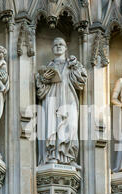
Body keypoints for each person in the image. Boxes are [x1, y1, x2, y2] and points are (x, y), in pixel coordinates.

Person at [35, 37, 87, 169]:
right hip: (52, 99)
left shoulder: (71, 65)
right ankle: (52, 155)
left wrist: (75, 66)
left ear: (66, 48)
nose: (58, 47)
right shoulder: (49, 67)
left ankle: (69, 157)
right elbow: (40, 89)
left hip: (68, 99)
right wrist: (43, 79)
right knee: (52, 127)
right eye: (56, 45)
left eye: (61, 44)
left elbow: (81, 81)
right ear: (52, 49)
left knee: (71, 126)